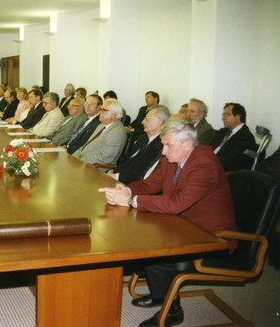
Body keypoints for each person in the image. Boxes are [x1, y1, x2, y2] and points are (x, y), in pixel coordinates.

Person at [99, 118, 236, 327]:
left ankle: (172, 310)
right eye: (163, 145)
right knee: (142, 237)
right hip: (183, 225)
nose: (163, 152)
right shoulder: (173, 158)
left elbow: (176, 204)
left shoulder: (205, 165)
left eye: (168, 146)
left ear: (187, 145)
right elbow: (150, 184)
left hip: (212, 237)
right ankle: (160, 294)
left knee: (158, 254)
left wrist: (129, 201)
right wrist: (126, 190)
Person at [110, 105, 169, 184]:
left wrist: (116, 176)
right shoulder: (142, 138)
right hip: (118, 175)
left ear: (160, 121)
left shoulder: (162, 144)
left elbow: (142, 171)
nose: (142, 122)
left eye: (147, 119)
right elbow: (128, 161)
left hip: (131, 184)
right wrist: (112, 171)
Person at [72, 98, 127, 168]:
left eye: (104, 110)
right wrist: (72, 157)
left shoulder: (117, 132)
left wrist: (80, 160)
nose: (100, 112)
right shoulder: (101, 126)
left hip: (94, 168)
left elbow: (105, 158)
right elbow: (85, 147)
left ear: (114, 114)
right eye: (101, 109)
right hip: (82, 162)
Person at [211, 102, 256, 172]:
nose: (223, 117)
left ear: (238, 117)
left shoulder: (245, 137)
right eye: (223, 114)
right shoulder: (223, 131)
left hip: (220, 171)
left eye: (227, 114)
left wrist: (208, 161)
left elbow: (230, 163)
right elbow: (210, 147)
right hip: (209, 164)